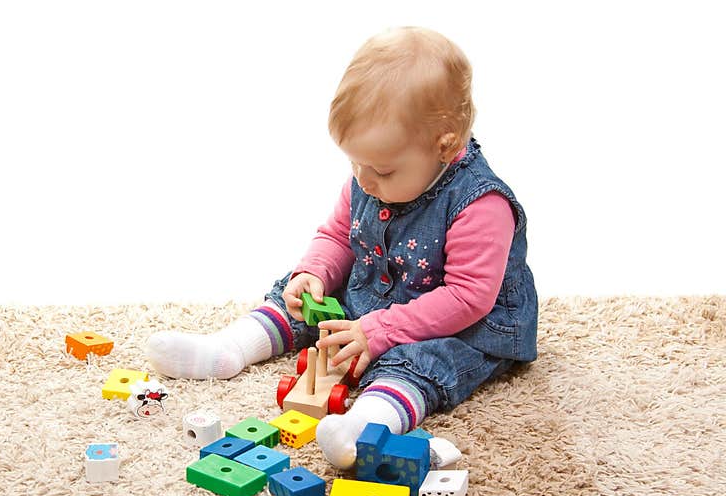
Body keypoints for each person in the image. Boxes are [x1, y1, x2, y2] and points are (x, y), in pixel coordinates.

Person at [147, 26, 538, 468]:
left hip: (455, 321)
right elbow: (337, 236)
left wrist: (379, 332)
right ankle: (229, 348)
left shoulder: (481, 204)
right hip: (376, 296)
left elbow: (468, 297)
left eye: (382, 170)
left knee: (422, 361)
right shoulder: (370, 176)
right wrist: (312, 274)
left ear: (444, 147)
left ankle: (365, 425)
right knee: (304, 300)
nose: (364, 179)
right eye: (355, 162)